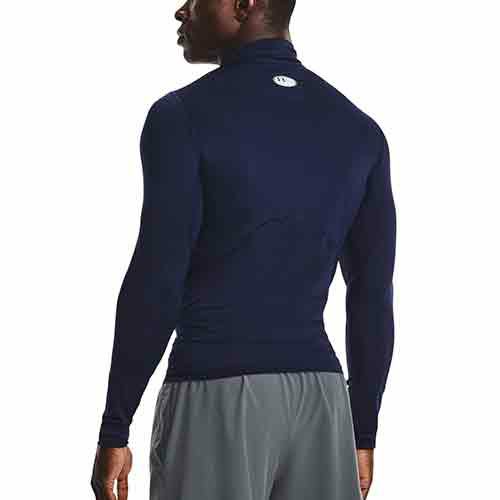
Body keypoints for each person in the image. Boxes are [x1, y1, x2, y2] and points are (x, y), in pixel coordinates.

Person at [91, 1, 397, 499]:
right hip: (322, 403)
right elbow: (372, 295)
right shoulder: (360, 130)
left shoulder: (182, 116)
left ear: (243, 3)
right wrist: (362, 431)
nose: (181, 11)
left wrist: (115, 425)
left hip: (215, 392)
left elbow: (157, 277)